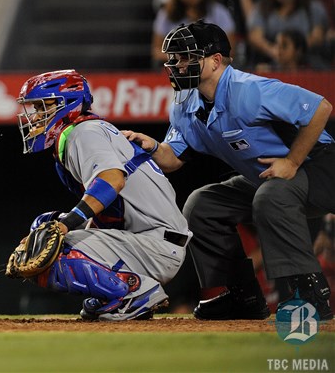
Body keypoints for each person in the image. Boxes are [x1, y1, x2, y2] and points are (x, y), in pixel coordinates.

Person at [124, 20, 334, 321]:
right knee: (202, 205)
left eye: (186, 57)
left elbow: (320, 109)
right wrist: (153, 147)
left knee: (271, 196)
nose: (177, 65)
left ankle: (310, 294)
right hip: (266, 178)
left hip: (319, 165)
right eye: (175, 58)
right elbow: (173, 159)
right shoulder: (186, 104)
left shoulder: (249, 90)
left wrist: (292, 162)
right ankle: (243, 297)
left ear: (215, 61)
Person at [12, 70, 191, 321]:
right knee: (42, 227)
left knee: (54, 251)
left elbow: (112, 180)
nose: (35, 116)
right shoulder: (82, 133)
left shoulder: (83, 132)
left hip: (155, 244)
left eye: (43, 107)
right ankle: (115, 291)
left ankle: (134, 290)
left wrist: (67, 226)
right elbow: (111, 210)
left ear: (68, 104)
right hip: (147, 239)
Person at [247, 0, 329, 69]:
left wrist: (292, 52)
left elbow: (317, 36)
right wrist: (275, 51)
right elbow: (255, 37)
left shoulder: (314, 8)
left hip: (307, 63)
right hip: (271, 62)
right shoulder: (261, 8)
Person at [151, 0, 235, 67]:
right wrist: (179, 57)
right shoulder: (166, 14)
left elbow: (230, 50)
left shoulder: (219, 12)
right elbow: (156, 50)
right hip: (177, 69)